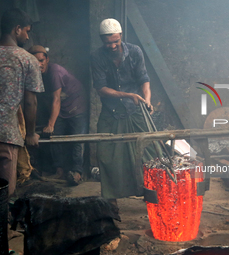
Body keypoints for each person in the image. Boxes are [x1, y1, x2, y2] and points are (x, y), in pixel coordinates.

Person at [90, 19, 156, 204]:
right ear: (102, 41)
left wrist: (147, 100)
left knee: (148, 151)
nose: (112, 46)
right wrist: (127, 95)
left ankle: (151, 195)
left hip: (135, 110)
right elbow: (101, 88)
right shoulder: (96, 56)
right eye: (107, 42)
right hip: (111, 111)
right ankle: (112, 201)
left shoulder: (134, 51)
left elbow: (144, 78)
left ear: (121, 37)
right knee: (106, 155)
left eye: (115, 41)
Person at [28, 45, 88, 186]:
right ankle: (59, 170)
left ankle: (77, 173)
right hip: (61, 108)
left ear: (47, 59)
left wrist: (50, 124)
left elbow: (56, 99)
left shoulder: (54, 71)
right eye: (35, 61)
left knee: (78, 139)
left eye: (42, 60)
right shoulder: (37, 75)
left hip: (77, 106)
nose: (39, 64)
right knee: (55, 138)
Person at [0, 8, 44, 196]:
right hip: (7, 134)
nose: (27, 36)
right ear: (17, 29)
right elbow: (30, 102)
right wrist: (31, 134)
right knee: (4, 190)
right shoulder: (26, 60)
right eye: (26, 30)